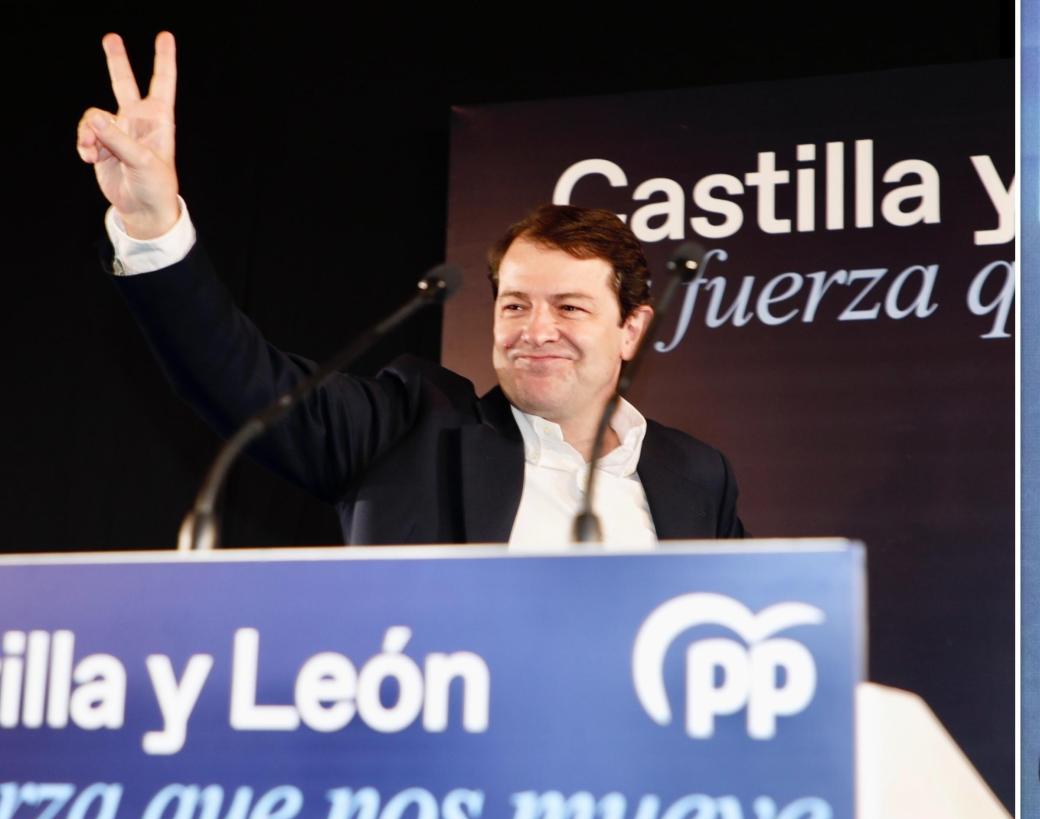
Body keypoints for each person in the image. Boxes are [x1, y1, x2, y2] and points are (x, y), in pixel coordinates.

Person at [76, 32, 745, 548]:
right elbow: (236, 376)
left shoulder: (696, 476)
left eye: (569, 307)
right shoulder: (409, 430)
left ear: (631, 327)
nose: (535, 330)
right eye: (515, 305)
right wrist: (150, 226)